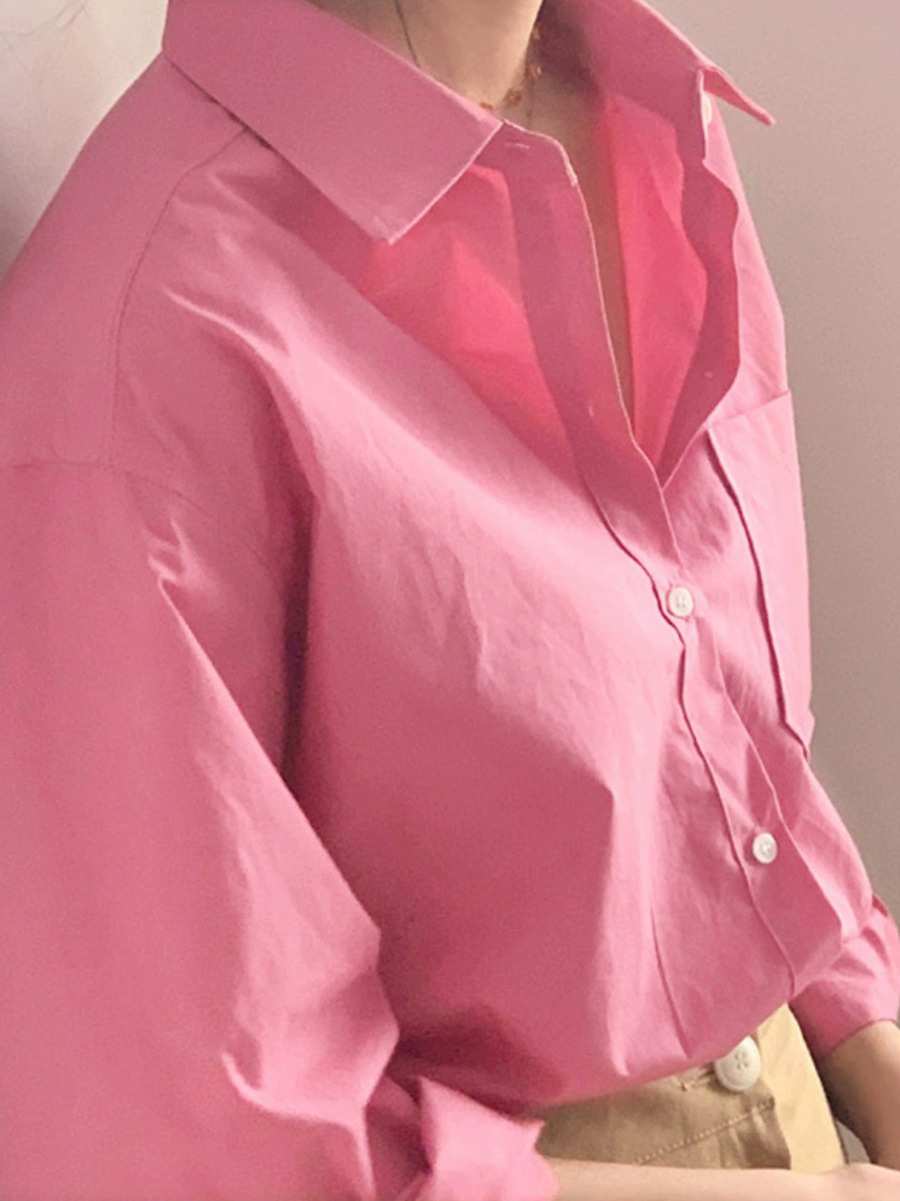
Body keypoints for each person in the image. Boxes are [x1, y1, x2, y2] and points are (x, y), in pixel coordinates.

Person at [1, 0, 900, 1198]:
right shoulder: (141, 345)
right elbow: (201, 1147)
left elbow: (703, 723)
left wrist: (866, 1034)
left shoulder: (651, 121)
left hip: (799, 1095)